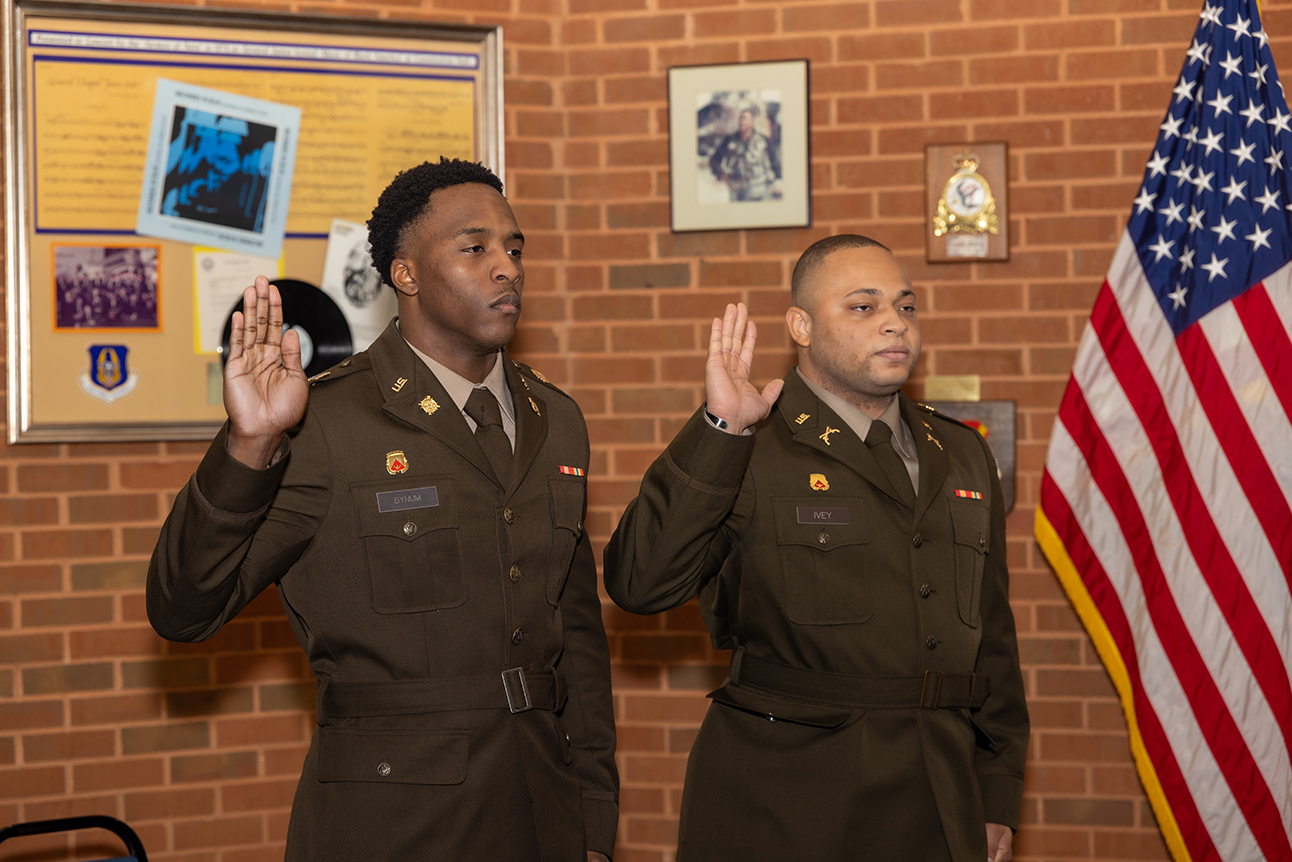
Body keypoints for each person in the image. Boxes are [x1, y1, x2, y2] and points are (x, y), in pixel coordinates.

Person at [148, 158, 618, 861]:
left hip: (541, 812)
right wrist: (250, 445)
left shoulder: (557, 418)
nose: (507, 268)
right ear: (406, 275)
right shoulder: (329, 424)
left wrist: (593, 820)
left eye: (514, 249)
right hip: (394, 823)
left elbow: (577, 642)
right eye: (475, 248)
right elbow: (183, 609)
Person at [603, 235, 1028, 862]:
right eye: (863, 307)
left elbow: (992, 637)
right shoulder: (751, 442)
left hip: (938, 795)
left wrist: (997, 791)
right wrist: (721, 431)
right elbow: (639, 584)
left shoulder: (961, 451)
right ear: (800, 325)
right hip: (788, 800)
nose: (894, 323)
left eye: (905, 307)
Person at [707, 105, 780, 202]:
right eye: (740, 118)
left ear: (752, 122)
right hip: (737, 191)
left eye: (744, 118)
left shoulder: (763, 141)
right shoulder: (729, 141)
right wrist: (721, 175)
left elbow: (774, 161)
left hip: (759, 189)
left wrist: (778, 181)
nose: (741, 121)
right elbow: (714, 159)